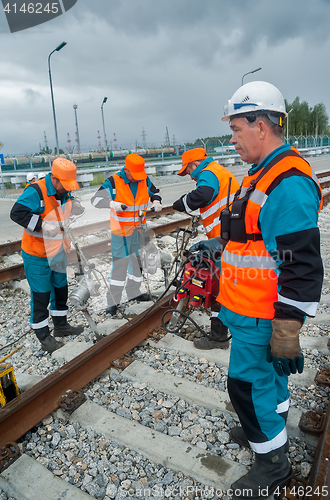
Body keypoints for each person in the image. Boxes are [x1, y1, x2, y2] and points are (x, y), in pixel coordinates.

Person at [191, 81, 323, 498]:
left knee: (246, 387)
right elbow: (249, 233)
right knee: (270, 382)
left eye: (236, 129)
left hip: (263, 312)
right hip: (245, 306)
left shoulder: (287, 183)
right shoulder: (263, 174)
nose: (231, 139)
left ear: (261, 125)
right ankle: (271, 429)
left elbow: (300, 265)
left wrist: (287, 328)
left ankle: (273, 463)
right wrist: (218, 244)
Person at [10, 158, 85, 353]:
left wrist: (75, 206)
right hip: (37, 254)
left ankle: (61, 326)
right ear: (55, 179)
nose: (67, 190)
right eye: (65, 186)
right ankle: (43, 336)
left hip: (58, 250)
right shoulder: (36, 191)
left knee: (61, 289)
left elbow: (68, 204)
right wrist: (42, 225)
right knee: (41, 294)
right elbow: (17, 213)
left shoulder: (64, 191)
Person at [173, 148, 240, 350]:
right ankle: (224, 331)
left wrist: (182, 203)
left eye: (188, 171)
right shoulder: (218, 170)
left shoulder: (207, 173)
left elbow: (204, 194)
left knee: (218, 289)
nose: (191, 177)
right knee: (225, 286)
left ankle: (218, 338)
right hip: (229, 237)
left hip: (224, 241)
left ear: (194, 164)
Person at [91, 153, 162, 316]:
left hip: (139, 230)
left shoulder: (144, 179)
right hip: (121, 233)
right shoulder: (113, 181)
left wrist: (156, 201)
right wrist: (111, 203)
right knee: (120, 267)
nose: (137, 179)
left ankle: (134, 292)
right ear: (127, 171)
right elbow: (95, 200)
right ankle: (113, 302)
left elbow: (155, 192)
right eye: (134, 176)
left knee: (138, 263)